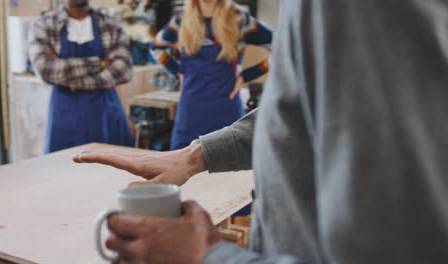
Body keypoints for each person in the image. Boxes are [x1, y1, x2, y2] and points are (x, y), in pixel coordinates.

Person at [74, 0, 448, 263]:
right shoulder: (184, 20)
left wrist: (207, 256)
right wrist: (194, 156)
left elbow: (395, 249)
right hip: (196, 108)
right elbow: (300, 111)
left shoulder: (345, 9)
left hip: (223, 102)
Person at [150, 0, 272, 150]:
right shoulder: (181, 21)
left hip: (226, 112)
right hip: (190, 113)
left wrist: (247, 75)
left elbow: (282, 46)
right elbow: (155, 47)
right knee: (181, 166)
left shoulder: (240, 19)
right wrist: (179, 72)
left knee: (229, 167)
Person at [29, 0, 133, 153]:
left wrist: (70, 78)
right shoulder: (44, 24)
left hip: (106, 113)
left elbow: (123, 71)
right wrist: (99, 63)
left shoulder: (110, 24)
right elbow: (46, 70)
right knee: (65, 170)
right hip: (64, 115)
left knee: (114, 170)